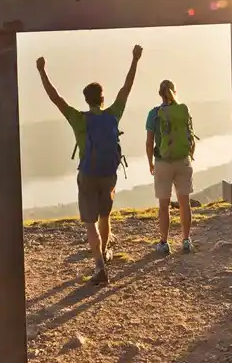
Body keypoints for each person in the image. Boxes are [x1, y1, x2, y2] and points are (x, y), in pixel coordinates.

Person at [36, 44, 143, 285]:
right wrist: (135, 59)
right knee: (105, 217)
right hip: (109, 174)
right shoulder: (113, 114)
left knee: (90, 222)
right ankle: (105, 252)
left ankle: (99, 266)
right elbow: (127, 88)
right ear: (103, 99)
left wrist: (42, 71)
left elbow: (56, 98)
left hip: (87, 175)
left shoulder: (78, 119)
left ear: (86, 100)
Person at [145, 79, 196, 255]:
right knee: (184, 202)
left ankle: (164, 242)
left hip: (162, 162)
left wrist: (150, 161)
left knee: (164, 205)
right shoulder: (183, 110)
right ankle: (186, 240)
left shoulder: (154, 114)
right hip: (183, 160)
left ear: (160, 94)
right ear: (175, 91)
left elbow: (149, 141)